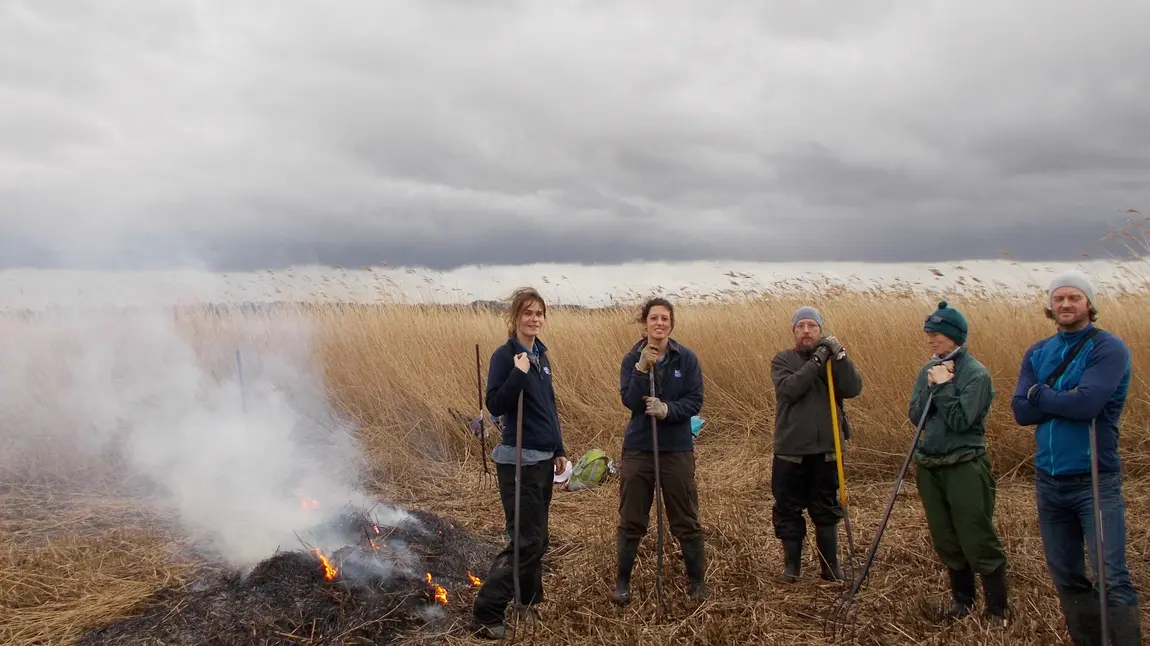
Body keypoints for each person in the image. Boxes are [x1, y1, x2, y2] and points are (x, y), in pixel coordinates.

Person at [1011, 271, 1141, 645]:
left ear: (1089, 304)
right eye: (1059, 298)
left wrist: (1041, 394)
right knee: (1067, 576)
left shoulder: (1107, 348)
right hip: (1049, 481)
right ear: (1050, 306)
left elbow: (1088, 404)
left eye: (1074, 298)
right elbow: (1021, 412)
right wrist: (1056, 398)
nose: (1066, 304)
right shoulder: (1037, 351)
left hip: (1094, 480)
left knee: (1111, 576)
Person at [470, 287, 569, 640]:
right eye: (527, 313)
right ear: (515, 319)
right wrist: (518, 373)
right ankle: (487, 612)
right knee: (526, 541)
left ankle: (528, 602)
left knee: (537, 538)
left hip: (542, 459)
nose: (534, 318)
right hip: (518, 462)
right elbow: (495, 405)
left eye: (539, 313)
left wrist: (558, 448)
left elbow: (549, 407)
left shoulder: (541, 355)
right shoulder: (505, 356)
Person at [907, 300, 1008, 621]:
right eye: (929, 333)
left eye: (937, 333)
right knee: (945, 536)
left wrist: (944, 386)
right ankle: (962, 604)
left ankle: (997, 610)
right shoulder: (928, 369)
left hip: (965, 464)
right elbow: (915, 415)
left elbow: (962, 420)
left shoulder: (976, 374)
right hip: (930, 464)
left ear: (955, 335)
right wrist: (931, 385)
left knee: (975, 534)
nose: (931, 339)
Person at [611, 297, 707, 605]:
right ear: (646, 323)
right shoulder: (631, 359)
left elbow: (695, 401)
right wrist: (642, 368)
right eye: (654, 318)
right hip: (640, 447)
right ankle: (622, 583)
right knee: (632, 516)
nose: (659, 324)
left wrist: (668, 409)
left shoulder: (686, 359)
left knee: (685, 516)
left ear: (671, 324)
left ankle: (697, 582)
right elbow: (629, 399)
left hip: (676, 448)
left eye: (665, 319)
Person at [769, 306, 863, 583]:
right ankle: (791, 568)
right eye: (801, 326)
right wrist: (817, 361)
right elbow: (790, 390)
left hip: (827, 450)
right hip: (791, 451)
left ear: (820, 330)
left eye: (812, 325)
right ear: (794, 331)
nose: (807, 330)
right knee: (787, 508)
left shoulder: (834, 362)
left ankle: (830, 567)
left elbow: (853, 388)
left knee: (825, 508)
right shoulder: (783, 360)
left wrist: (840, 357)